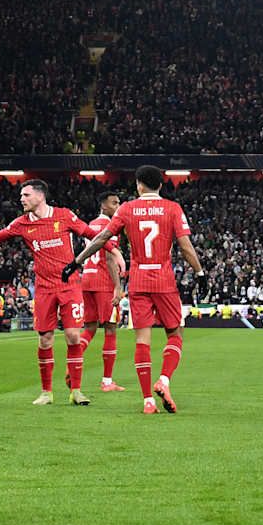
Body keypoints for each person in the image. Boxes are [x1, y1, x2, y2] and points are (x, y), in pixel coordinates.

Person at [65, 165, 203, 415]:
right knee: (175, 334)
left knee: (142, 340)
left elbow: (101, 239)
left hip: (138, 283)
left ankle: (148, 401)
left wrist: (76, 261)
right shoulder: (172, 208)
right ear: (161, 185)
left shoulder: (127, 209)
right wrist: (200, 272)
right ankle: (164, 380)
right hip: (164, 281)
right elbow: (185, 246)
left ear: (139, 184)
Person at [0, 178, 95, 407]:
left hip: (70, 285)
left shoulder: (64, 215)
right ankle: (46, 392)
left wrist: (114, 252)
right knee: (45, 339)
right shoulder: (22, 223)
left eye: (25, 195)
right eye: (21, 196)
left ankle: (76, 390)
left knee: (74, 336)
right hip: (45, 288)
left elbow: (90, 233)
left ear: (40, 196)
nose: (21, 199)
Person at [77, 191, 127, 391]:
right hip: (103, 282)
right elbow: (108, 258)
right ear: (103, 206)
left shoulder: (90, 224)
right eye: (114, 203)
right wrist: (117, 286)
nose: (118, 206)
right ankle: (107, 381)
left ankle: (74, 359)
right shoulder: (110, 226)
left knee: (89, 327)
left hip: (86, 279)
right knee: (110, 328)